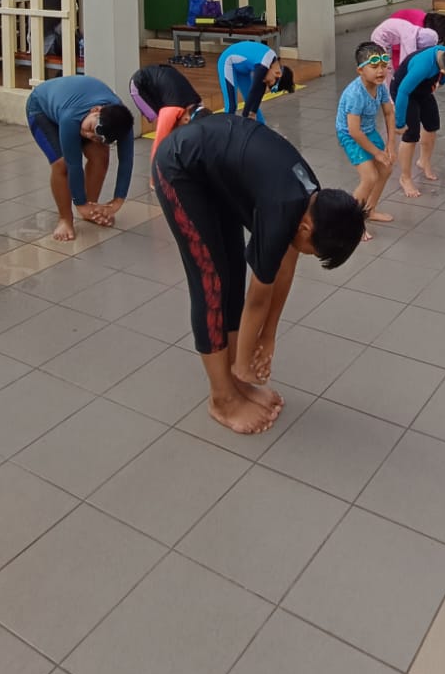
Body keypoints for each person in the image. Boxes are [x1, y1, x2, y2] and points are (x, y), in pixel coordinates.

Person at [152, 112, 366, 433]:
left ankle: (233, 383)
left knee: (234, 271)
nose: (307, 254)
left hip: (215, 171)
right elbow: (258, 298)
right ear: (307, 227)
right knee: (211, 282)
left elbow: (285, 267)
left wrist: (268, 337)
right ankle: (222, 397)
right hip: (180, 168)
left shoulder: (312, 201)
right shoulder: (283, 211)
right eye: (314, 251)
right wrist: (244, 364)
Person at [25, 74, 135, 241]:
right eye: (90, 128)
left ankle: (91, 209)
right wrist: (79, 202)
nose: (88, 135)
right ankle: (65, 218)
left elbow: (126, 162)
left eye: (95, 137)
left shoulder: (122, 124)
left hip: (74, 106)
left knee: (101, 156)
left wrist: (117, 201)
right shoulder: (71, 119)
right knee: (62, 164)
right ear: (96, 110)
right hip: (41, 108)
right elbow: (73, 164)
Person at [390, 43, 445, 197]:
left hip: (422, 88)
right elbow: (403, 92)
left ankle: (423, 161)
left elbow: (442, 77)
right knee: (411, 134)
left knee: (432, 125)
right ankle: (405, 177)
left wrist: (440, 81)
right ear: (444, 70)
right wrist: (399, 122)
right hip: (404, 92)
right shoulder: (423, 66)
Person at [336, 42, 397, 231]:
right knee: (370, 177)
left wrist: (390, 145)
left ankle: (369, 210)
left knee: (385, 170)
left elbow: (388, 113)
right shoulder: (355, 94)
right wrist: (377, 153)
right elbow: (354, 131)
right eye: (374, 67)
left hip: (368, 130)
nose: (380, 72)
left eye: (383, 67)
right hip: (350, 134)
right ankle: (351, 223)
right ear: (360, 71)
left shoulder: (380, 87)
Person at [217, 41, 294, 123]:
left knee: (253, 108)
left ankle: (262, 131)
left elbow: (259, 93)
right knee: (231, 106)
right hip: (228, 62)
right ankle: (224, 132)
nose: (265, 81)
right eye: (269, 82)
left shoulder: (272, 65)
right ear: (277, 74)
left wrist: (253, 112)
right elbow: (253, 91)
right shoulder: (262, 67)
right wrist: (245, 117)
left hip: (243, 69)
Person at [370, 11, 445, 71]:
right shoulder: (414, 33)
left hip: (392, 34)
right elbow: (408, 59)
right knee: (385, 67)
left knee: (389, 67)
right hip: (385, 37)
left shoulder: (422, 31)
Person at [129, 60, 202, 125]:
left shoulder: (197, 100)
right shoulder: (173, 108)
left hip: (164, 76)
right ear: (186, 119)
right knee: (156, 118)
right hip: (139, 84)